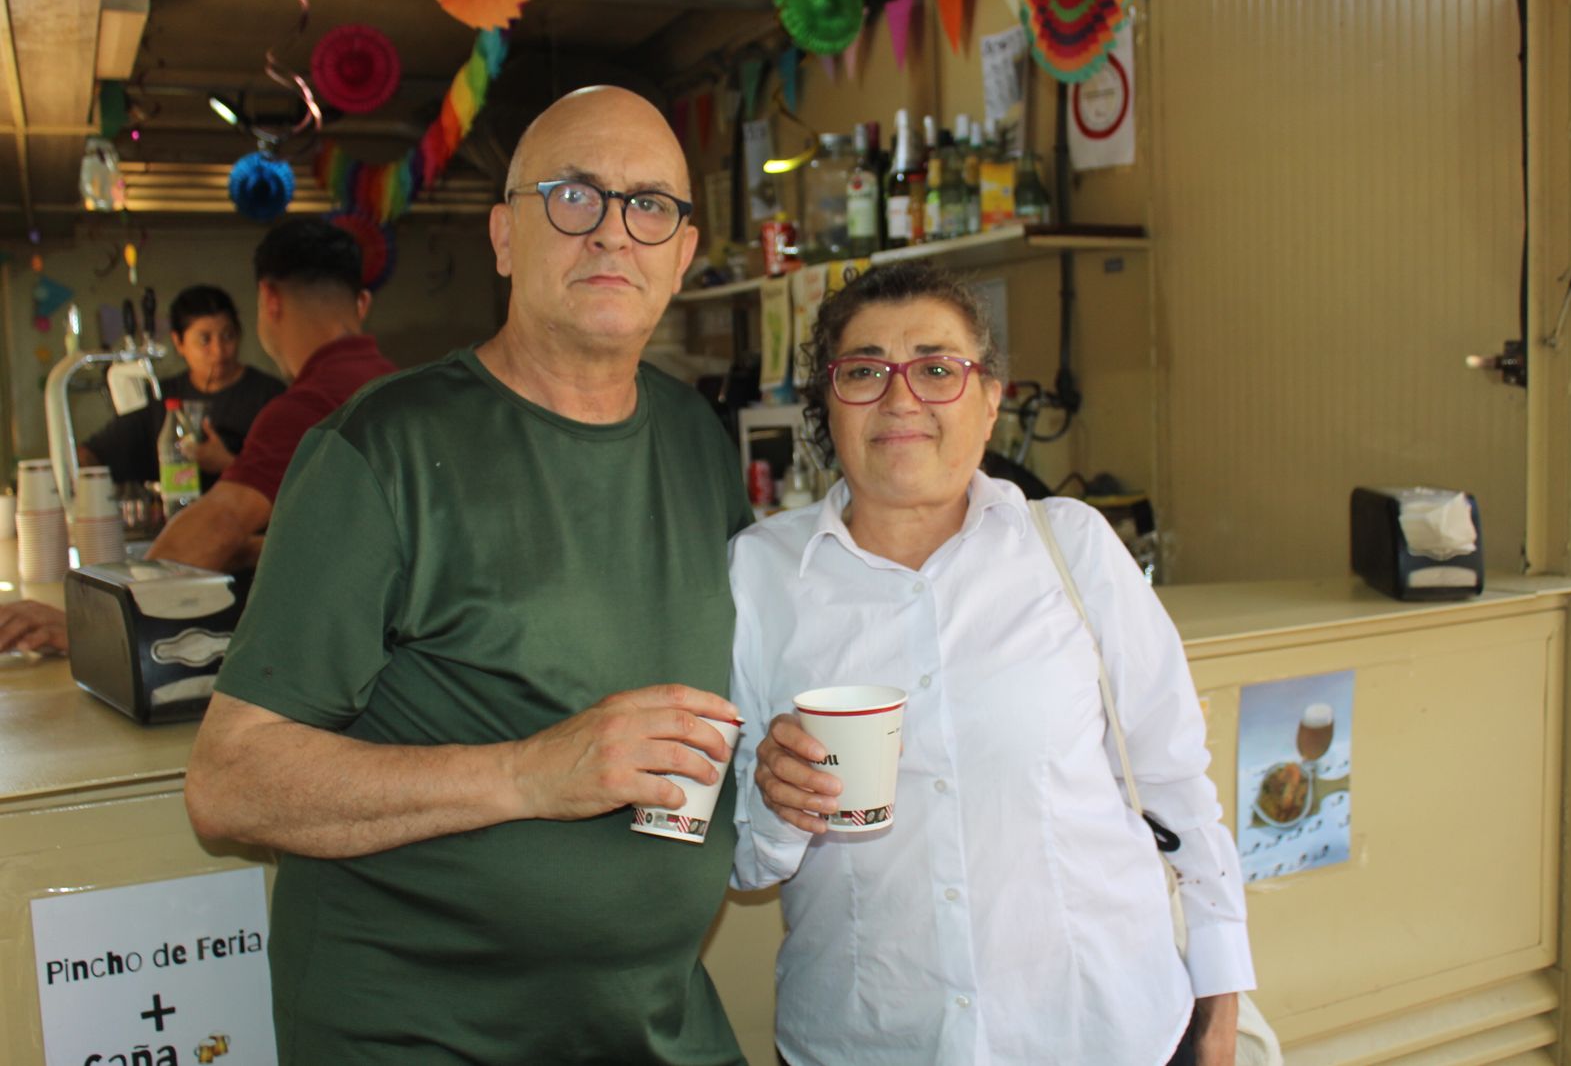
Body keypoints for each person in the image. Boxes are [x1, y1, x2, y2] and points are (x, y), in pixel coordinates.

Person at [183, 87, 751, 1064]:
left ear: (684, 251)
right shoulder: (378, 450)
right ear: (502, 235)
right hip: (421, 1035)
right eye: (575, 196)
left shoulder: (699, 441)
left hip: (650, 1023)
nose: (614, 232)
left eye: (650, 205)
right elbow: (229, 784)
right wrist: (533, 771)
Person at [729, 262, 1256, 1066]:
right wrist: (775, 804)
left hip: (1110, 1036)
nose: (902, 398)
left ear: (990, 399)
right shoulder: (758, 575)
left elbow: (1176, 783)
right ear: (827, 404)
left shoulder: (1072, 546)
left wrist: (1220, 1009)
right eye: (865, 370)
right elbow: (735, 854)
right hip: (867, 1044)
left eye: (938, 368)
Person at [0, 219, 395, 653]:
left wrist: (92, 624)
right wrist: (254, 549)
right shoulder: (400, 385)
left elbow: (219, 525)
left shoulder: (304, 405)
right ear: (362, 303)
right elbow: (375, 543)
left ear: (269, 298)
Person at [79, 284, 285, 490]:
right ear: (178, 342)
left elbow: (289, 481)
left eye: (228, 336)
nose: (219, 351)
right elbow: (94, 452)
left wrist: (227, 463)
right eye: (205, 339)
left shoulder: (270, 396)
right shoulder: (162, 397)